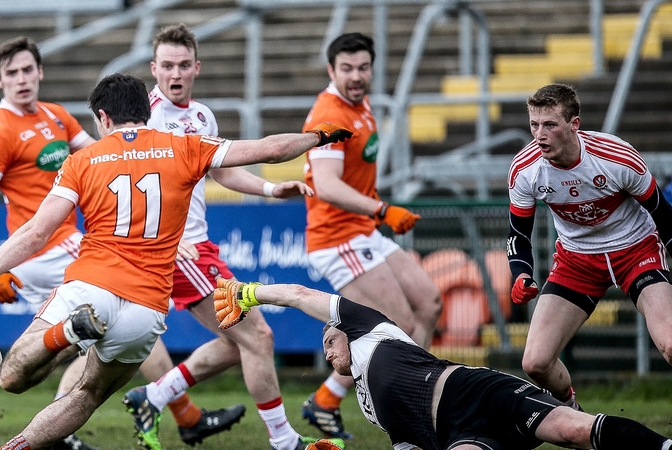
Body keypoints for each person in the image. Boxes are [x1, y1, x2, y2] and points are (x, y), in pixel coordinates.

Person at [0, 73, 351, 450]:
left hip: (92, 285)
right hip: (146, 309)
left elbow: (36, 232)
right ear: (148, 111)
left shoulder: (82, 160)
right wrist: (317, 137)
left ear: (103, 117)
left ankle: (68, 332)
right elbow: (270, 149)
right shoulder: (186, 146)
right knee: (88, 395)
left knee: (12, 377)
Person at [122, 23, 337, 450]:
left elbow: (221, 172)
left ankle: (154, 396)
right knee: (258, 337)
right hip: (178, 250)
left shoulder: (202, 116)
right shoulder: (145, 119)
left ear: (197, 67)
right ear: (154, 68)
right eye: (167, 65)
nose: (176, 73)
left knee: (237, 342)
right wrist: (166, 239)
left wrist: (270, 188)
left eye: (184, 65)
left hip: (197, 246)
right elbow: (126, 183)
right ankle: (284, 441)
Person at [213, 278, 672, 450]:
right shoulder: (370, 408)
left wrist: (250, 293)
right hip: (455, 435)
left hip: (475, 392)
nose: (328, 353)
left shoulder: (371, 329)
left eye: (330, 341)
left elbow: (299, 295)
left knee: (574, 432)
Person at [300, 32, 442, 438]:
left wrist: (377, 212)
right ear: (331, 70)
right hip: (337, 238)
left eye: (363, 67)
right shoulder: (329, 114)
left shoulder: (360, 104)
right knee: (397, 324)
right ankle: (410, 403)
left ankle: (328, 399)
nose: (356, 76)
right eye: (346, 68)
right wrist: (382, 209)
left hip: (362, 231)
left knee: (429, 304)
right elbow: (327, 185)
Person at [0, 36, 99, 450]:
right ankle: (180, 409)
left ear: (40, 71)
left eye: (27, 70)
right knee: (129, 314)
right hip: (49, 248)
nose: (21, 79)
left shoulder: (56, 115)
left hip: (54, 248)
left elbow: (101, 157)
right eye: (12, 73)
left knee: (92, 340)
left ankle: (58, 429)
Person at [507, 83, 672, 409]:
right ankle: (574, 413)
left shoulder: (616, 157)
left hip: (636, 251)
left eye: (550, 125)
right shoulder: (525, 170)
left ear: (574, 124)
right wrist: (520, 274)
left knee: (670, 344)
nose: (539, 135)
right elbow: (518, 235)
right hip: (577, 262)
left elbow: (663, 216)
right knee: (535, 363)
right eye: (534, 125)